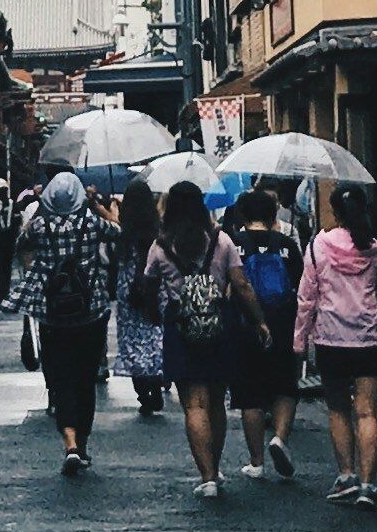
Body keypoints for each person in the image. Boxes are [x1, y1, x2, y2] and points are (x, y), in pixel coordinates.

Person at [149, 177, 269, 502]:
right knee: (216, 400)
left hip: (181, 325)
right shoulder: (221, 240)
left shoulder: (161, 245)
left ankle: (208, 476)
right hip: (220, 323)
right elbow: (241, 284)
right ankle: (215, 467)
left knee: (194, 403)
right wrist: (259, 321)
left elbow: (147, 284)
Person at [11, 169, 116, 477]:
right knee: (85, 378)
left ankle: (69, 443)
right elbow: (119, 231)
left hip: (54, 312)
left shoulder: (41, 226)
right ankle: (82, 444)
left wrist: (40, 211)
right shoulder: (91, 223)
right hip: (90, 310)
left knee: (61, 377)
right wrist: (96, 204)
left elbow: (20, 242)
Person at [296, 182, 377, 508]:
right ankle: (369, 486)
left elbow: (306, 299)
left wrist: (299, 340)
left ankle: (347, 477)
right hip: (370, 338)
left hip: (331, 339)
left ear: (334, 211)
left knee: (338, 409)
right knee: (368, 413)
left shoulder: (317, 248)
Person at [227, 181, 304, 478]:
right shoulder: (286, 245)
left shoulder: (233, 244)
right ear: (274, 214)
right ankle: (280, 438)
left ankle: (257, 462)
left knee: (250, 394)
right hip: (284, 322)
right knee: (285, 385)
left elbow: (227, 286)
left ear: (242, 214)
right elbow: (301, 284)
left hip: (245, 325)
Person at [110, 178, 169, 415]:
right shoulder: (159, 231)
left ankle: (142, 391)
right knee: (155, 335)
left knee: (132, 341)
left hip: (128, 292)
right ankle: (157, 380)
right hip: (155, 288)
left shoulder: (122, 234)